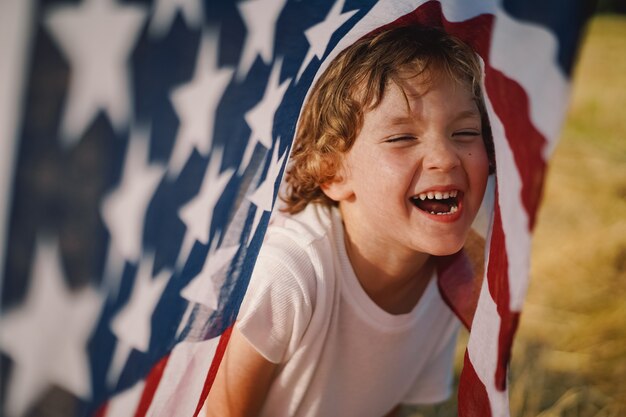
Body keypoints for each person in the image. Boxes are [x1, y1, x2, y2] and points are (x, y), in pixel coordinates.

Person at [206, 24, 494, 417]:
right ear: (333, 173)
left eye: (464, 132)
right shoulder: (289, 274)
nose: (444, 157)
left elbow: (382, 408)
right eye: (402, 138)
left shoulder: (451, 285)